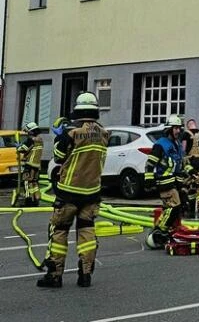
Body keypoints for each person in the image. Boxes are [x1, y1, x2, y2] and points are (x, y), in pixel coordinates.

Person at [38, 92, 109, 288]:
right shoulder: (104, 133)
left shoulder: (71, 132)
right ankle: (85, 274)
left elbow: (59, 157)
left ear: (78, 110)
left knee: (59, 231)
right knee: (86, 232)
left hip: (68, 192)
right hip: (92, 192)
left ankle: (54, 275)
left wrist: (60, 135)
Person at [145, 114, 186, 247]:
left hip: (174, 183)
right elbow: (150, 164)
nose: (178, 131)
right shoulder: (160, 145)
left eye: (179, 128)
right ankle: (160, 231)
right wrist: (149, 180)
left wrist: (187, 178)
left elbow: (181, 164)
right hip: (165, 182)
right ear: (169, 129)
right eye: (175, 128)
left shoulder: (177, 145)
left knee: (174, 208)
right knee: (174, 207)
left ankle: (165, 231)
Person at [181, 118, 199, 217]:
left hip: (190, 162)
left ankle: (186, 205)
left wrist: (182, 161)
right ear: (195, 124)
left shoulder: (185, 134)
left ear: (188, 126)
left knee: (186, 184)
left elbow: (183, 149)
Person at [16, 121, 44, 207]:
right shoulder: (40, 140)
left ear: (31, 131)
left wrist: (18, 146)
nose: (27, 133)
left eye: (28, 132)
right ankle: (36, 200)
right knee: (34, 182)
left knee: (27, 182)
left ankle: (28, 201)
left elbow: (22, 149)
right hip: (36, 165)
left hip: (30, 164)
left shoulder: (31, 140)